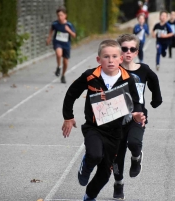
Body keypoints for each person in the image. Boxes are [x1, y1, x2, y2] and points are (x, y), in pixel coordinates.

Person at [62, 39, 146, 201]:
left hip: (115, 132)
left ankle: (89, 196)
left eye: (115, 56)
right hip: (94, 127)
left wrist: (136, 113)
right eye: (106, 57)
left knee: (105, 174)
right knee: (94, 154)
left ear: (121, 59)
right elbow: (71, 93)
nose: (110, 60)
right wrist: (68, 117)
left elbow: (136, 100)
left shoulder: (128, 79)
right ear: (98, 60)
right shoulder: (90, 76)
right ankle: (86, 165)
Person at [112, 34, 162, 200]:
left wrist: (156, 100)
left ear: (136, 51)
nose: (128, 52)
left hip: (138, 114)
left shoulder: (144, 69)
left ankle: (136, 157)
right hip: (117, 117)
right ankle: (118, 184)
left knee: (134, 142)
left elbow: (154, 81)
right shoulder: (112, 69)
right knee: (117, 155)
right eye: (124, 49)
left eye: (131, 49)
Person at [46, 6, 76, 84]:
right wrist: (49, 38)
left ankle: (63, 75)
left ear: (65, 15)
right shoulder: (55, 24)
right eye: (58, 15)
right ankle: (59, 67)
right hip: (57, 42)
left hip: (66, 44)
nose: (60, 17)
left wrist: (68, 30)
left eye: (61, 15)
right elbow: (51, 30)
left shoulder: (69, 24)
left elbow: (74, 35)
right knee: (59, 54)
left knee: (65, 62)